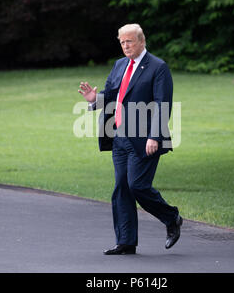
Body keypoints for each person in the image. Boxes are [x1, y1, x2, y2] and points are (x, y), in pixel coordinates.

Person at [78, 23, 182, 255]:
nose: (125, 46)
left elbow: (162, 105)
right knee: (122, 188)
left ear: (141, 41)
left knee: (137, 185)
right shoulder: (119, 65)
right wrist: (95, 99)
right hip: (119, 137)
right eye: (122, 42)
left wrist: (155, 135)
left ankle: (171, 218)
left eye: (130, 41)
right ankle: (126, 242)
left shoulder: (158, 67)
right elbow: (114, 95)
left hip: (145, 138)